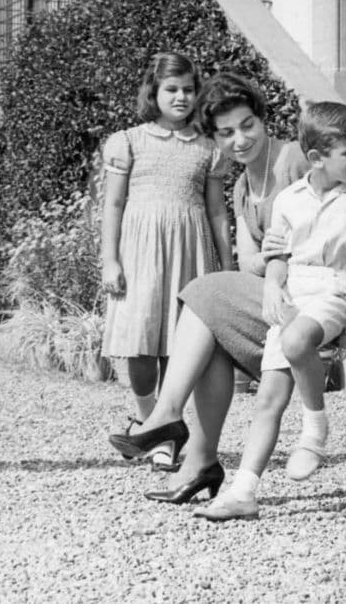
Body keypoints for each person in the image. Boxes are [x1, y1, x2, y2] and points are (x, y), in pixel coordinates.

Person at [108, 73, 308, 504]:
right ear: (214, 140)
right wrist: (272, 254)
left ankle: (166, 415)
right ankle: (200, 462)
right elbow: (249, 261)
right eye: (226, 132)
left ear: (263, 119)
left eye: (247, 125)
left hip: (312, 304)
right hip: (275, 302)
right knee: (211, 324)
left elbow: (326, 229)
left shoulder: (291, 160)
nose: (240, 139)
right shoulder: (240, 187)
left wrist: (281, 252)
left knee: (202, 292)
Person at [193, 102, 346, 520]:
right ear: (316, 159)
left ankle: (315, 428)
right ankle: (243, 491)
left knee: (297, 338)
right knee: (268, 396)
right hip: (295, 297)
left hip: (337, 292)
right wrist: (273, 287)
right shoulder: (288, 199)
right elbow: (277, 254)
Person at [100, 53, 233, 469]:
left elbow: (216, 212)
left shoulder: (208, 149)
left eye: (188, 89)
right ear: (153, 93)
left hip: (190, 250)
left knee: (181, 344)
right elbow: (114, 203)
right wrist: (110, 260)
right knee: (139, 342)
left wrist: (226, 269)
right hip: (139, 252)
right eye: (171, 89)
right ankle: (149, 420)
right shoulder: (129, 141)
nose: (181, 97)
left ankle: (167, 436)